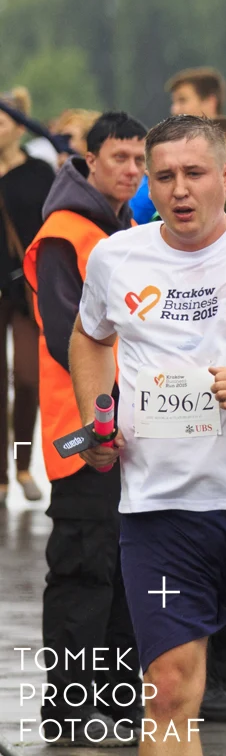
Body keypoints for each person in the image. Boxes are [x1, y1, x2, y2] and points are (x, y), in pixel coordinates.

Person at [70, 115, 226, 752]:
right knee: (169, 689)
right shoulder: (117, 257)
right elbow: (90, 337)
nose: (180, 190)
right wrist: (97, 418)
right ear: (148, 181)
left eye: (195, 174)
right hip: (160, 510)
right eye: (165, 176)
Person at [23, 111, 148, 746]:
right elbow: (68, 333)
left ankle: (120, 705)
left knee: (125, 571)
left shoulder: (123, 229)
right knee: (83, 569)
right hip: (83, 435)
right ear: (88, 159)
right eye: (119, 158)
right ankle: (69, 712)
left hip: (130, 430)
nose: (131, 170)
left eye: (138, 160)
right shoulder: (66, 234)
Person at [131, 67, 226, 228]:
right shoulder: (167, 152)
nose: (174, 109)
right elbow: (134, 212)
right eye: (167, 176)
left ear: (210, 102)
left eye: (182, 100)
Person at [0, 87, 54, 505]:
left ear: (20, 126)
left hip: (23, 288)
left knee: (29, 380)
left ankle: (22, 464)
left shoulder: (39, 173)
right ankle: (1, 475)